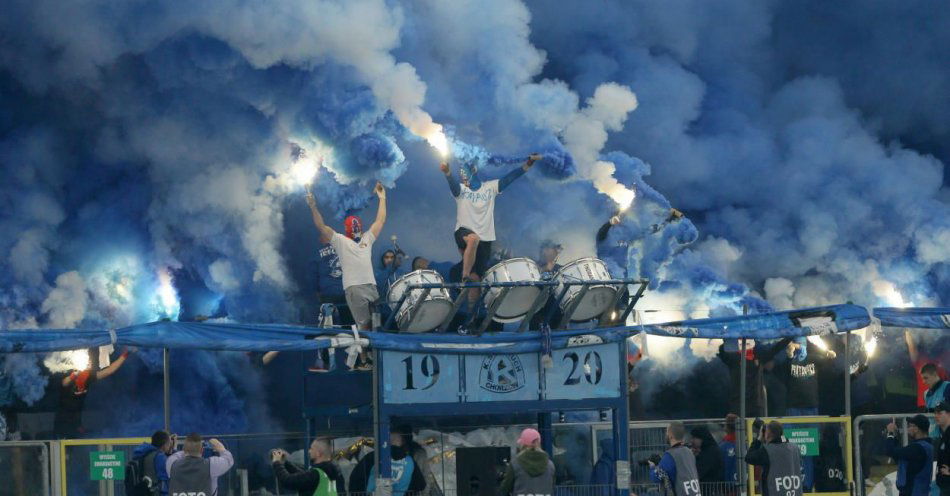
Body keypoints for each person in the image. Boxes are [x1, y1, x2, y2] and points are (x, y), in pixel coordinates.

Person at [440, 154, 540, 281]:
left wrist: (529, 163)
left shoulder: (490, 187)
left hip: (485, 239)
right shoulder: (462, 190)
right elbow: (453, 186)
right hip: (463, 232)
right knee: (473, 239)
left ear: (474, 170)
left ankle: (465, 284)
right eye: (460, 174)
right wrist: (447, 173)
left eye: (464, 172)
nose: (462, 176)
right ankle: (465, 275)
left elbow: (510, 178)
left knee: (477, 277)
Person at [306, 182, 387, 330]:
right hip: (354, 287)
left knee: (377, 323)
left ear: (360, 227)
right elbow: (321, 226)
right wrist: (313, 206)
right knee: (365, 327)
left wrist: (382, 198)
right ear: (346, 229)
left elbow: (380, 220)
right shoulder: (340, 241)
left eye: (357, 227)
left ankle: (374, 352)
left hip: (370, 285)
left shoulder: (367, 238)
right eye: (352, 227)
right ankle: (364, 353)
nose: (355, 229)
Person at [54, 347, 132, 438]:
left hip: (76, 422)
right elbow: (64, 383)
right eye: (87, 360)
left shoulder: (89, 376)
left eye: (89, 360)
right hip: (62, 422)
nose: (89, 361)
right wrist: (74, 375)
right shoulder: (70, 373)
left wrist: (125, 354)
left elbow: (109, 370)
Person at [270, 438, 346, 496]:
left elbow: (288, 481)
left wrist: (277, 463)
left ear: (318, 454)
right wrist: (286, 463)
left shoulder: (316, 474)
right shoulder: (333, 472)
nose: (309, 451)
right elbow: (304, 477)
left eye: (311, 448)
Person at [746, 420, 803, 496]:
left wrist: (759, 439)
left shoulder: (767, 451)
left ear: (767, 434)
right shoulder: (794, 448)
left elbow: (749, 457)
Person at [166, 434, 234, 496]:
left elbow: (175, 456)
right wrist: (221, 448)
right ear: (202, 450)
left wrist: (188, 448)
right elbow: (228, 460)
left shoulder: (172, 465)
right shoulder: (211, 466)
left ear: (184, 449)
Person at [884, 415, 934, 496]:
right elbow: (900, 455)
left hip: (913, 491)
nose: (908, 429)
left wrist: (890, 434)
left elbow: (890, 451)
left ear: (916, 429)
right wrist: (896, 436)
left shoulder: (917, 448)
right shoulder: (925, 446)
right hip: (919, 491)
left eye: (910, 426)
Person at [650, 421, 701, 496]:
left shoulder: (670, 456)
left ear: (671, 435)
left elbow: (657, 477)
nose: (666, 434)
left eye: (667, 432)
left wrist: (652, 467)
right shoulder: (689, 453)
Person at [500, 428, 555, 496]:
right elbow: (551, 489)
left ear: (523, 445)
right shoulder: (550, 466)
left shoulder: (515, 464)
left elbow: (504, 489)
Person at [392, 424, 442, 496]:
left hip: (415, 491)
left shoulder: (418, 454)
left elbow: (425, 476)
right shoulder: (392, 453)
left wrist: (424, 494)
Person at [905, 330, 950, 409]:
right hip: (925, 404)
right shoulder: (921, 358)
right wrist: (907, 329)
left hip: (944, 405)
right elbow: (911, 346)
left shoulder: (944, 357)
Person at [131, 431, 176, 496]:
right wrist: (174, 450)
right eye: (169, 443)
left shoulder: (145, 453)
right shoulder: (160, 457)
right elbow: (173, 472)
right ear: (164, 445)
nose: (169, 446)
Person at [691, 426, 724, 491]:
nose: (692, 441)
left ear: (701, 438)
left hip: (711, 490)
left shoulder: (711, 452)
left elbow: (698, 471)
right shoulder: (709, 450)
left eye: (694, 438)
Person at [719, 414, 738, 490]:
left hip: (727, 488)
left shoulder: (722, 447)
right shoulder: (747, 445)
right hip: (747, 487)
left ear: (726, 427)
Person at [935, 402, 950, 496]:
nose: (936, 416)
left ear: (949, 414)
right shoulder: (944, 434)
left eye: (940, 413)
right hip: (944, 485)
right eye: (935, 413)